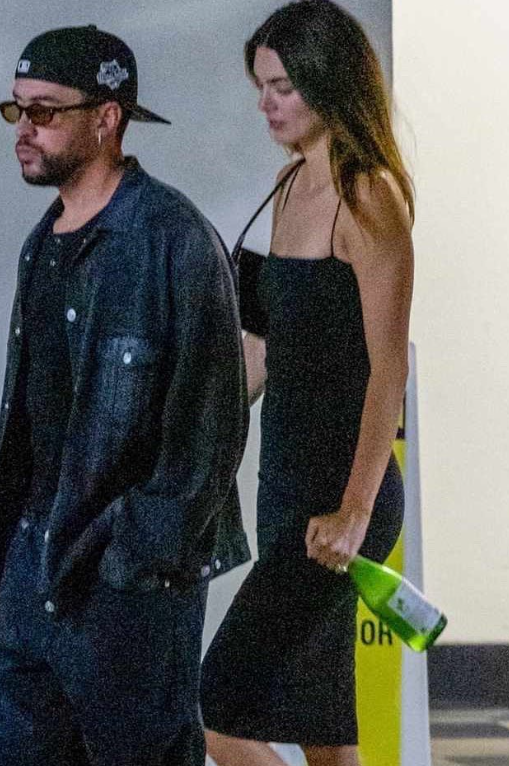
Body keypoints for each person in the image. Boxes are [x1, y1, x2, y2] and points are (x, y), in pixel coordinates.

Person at [0, 25, 250, 766]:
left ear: (107, 117)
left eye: (44, 111)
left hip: (126, 590)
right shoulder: (42, 242)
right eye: (16, 108)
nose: (23, 129)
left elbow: (211, 430)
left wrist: (137, 557)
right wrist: (4, 586)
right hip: (27, 578)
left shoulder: (173, 239)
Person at [200, 2, 414, 765]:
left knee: (216, 710)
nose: (266, 103)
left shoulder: (369, 194)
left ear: (329, 82)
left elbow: (388, 367)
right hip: (286, 486)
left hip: (339, 500)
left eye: (282, 87)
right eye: (260, 86)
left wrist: (354, 511)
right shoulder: (287, 185)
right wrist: (193, 430)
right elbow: (268, 346)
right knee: (324, 731)